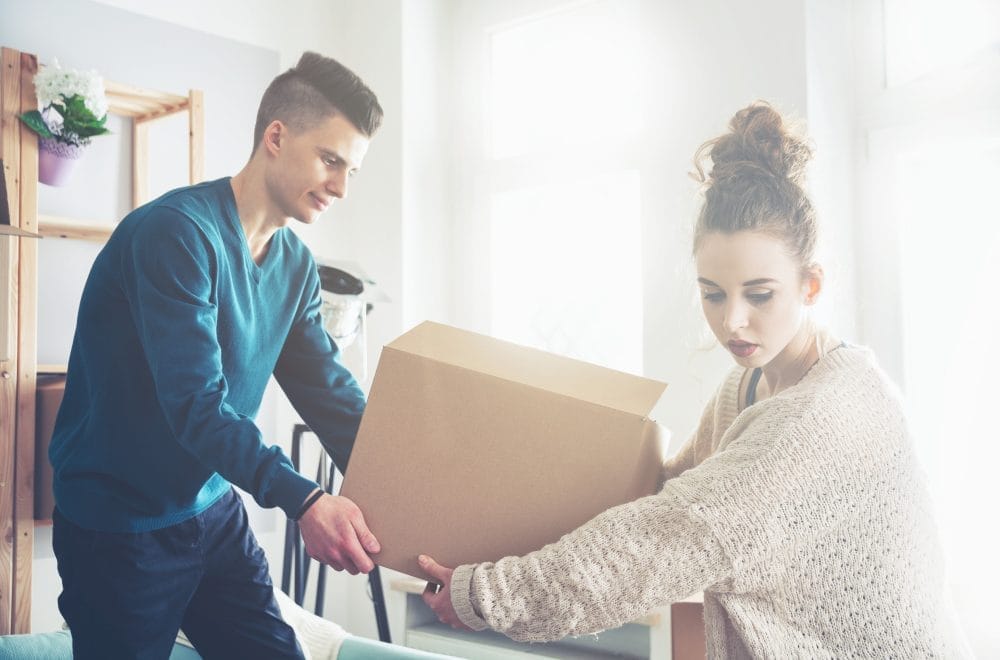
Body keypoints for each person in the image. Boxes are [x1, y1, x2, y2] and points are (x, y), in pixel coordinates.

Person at [418, 102, 969, 658]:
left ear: (811, 286)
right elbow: (662, 491)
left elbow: (669, 540)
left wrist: (486, 594)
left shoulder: (823, 419)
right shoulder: (747, 386)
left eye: (760, 294)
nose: (732, 320)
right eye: (712, 293)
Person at [48, 52, 383, 660]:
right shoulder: (176, 234)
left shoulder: (296, 265)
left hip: (211, 509)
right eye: (331, 160)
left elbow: (330, 395)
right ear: (276, 137)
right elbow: (197, 405)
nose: (340, 186)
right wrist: (306, 499)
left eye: (350, 170)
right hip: (119, 525)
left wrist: (405, 489)